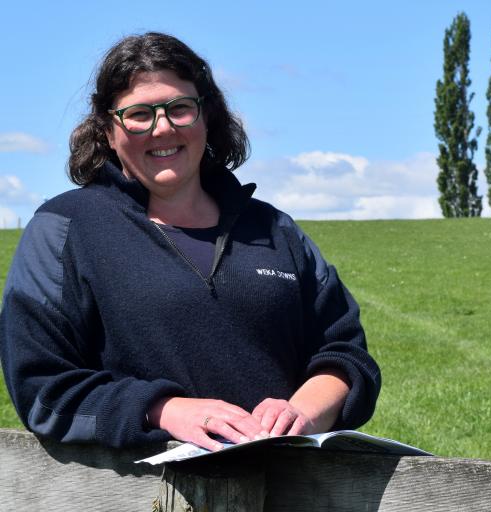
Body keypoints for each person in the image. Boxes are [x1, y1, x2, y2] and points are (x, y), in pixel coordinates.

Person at [0, 32, 380, 451]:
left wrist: (303, 412)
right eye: (139, 114)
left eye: (180, 108)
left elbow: (345, 355)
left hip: (292, 488)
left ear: (206, 117)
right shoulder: (66, 228)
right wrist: (166, 409)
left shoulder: (275, 230)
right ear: (109, 131)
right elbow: (41, 388)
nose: (162, 128)